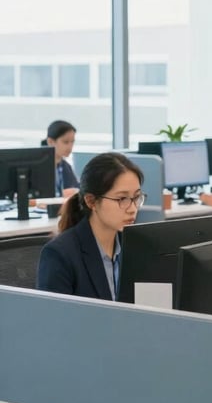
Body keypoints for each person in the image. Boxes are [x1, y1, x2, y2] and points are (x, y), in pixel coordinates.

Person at [36, 153, 145, 300]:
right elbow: (53, 320)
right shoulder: (60, 255)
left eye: (136, 197)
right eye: (122, 199)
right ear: (91, 201)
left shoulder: (137, 247)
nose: (132, 208)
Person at [43, 120, 80, 197]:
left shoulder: (65, 166)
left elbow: (74, 188)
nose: (70, 147)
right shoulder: (39, 167)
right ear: (50, 142)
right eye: (65, 142)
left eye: (72, 142)